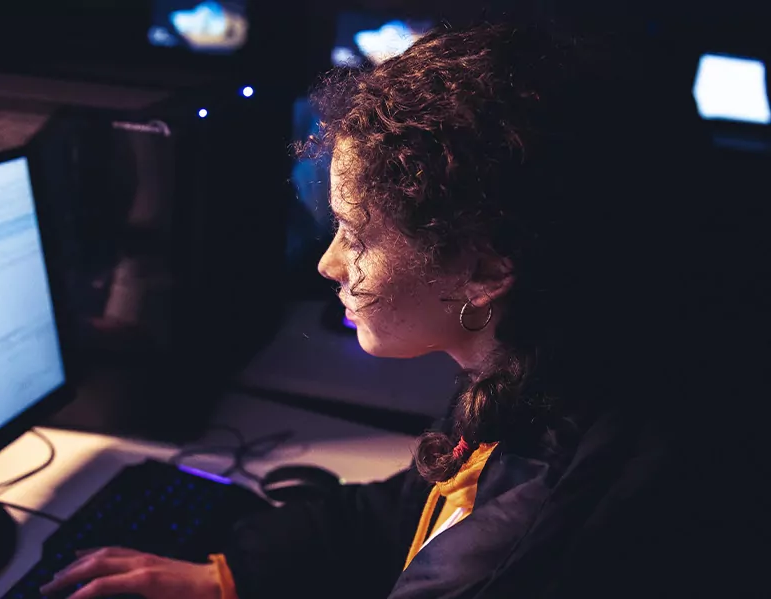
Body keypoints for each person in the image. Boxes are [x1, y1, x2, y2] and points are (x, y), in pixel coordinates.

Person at [40, 22, 762, 599]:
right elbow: (410, 507)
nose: (328, 264)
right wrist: (227, 576)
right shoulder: (558, 373)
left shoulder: (532, 551)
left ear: (483, 268)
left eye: (356, 234)